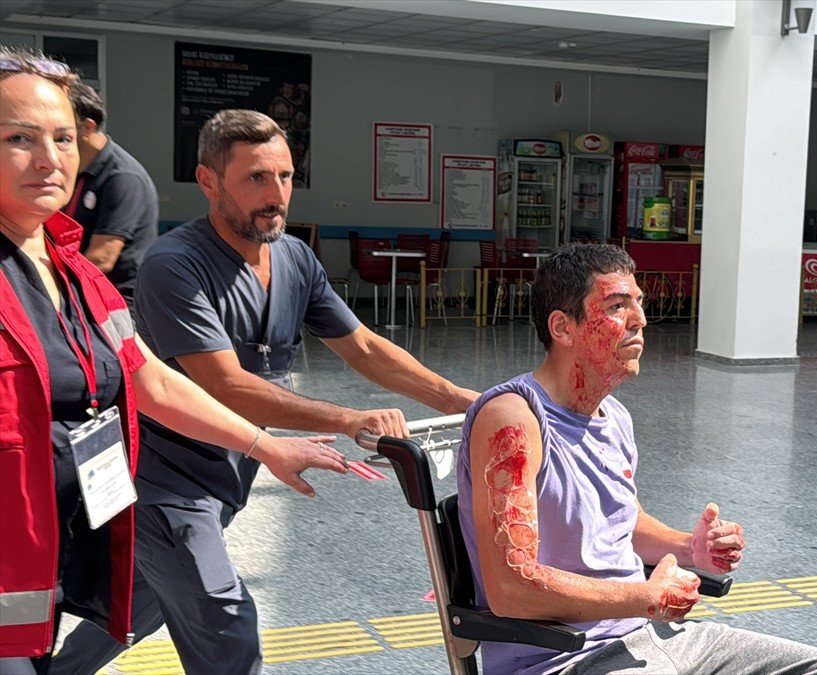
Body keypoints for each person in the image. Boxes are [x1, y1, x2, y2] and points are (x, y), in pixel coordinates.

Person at [53, 108, 479, 674]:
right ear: (209, 182)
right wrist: (348, 418)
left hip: (228, 476)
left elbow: (365, 348)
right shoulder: (174, 265)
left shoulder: (295, 258)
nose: (275, 193)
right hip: (162, 485)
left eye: (283, 176)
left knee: (138, 610)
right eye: (256, 177)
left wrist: (459, 400)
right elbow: (226, 385)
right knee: (227, 628)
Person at [0, 47, 349, 675]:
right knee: (213, 615)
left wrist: (266, 448)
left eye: (60, 137)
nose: (50, 159)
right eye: (19, 138)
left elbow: (147, 377)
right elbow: (215, 378)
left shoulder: (75, 272)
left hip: (40, 550)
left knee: (136, 609)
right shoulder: (173, 261)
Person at [458, 243, 817, 675]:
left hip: (654, 638)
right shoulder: (513, 419)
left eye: (639, 303)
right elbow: (511, 588)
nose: (640, 319)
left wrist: (692, 548)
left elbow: (621, 524)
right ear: (562, 327)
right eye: (618, 306)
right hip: (566, 658)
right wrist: (646, 597)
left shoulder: (613, 415)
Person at [63, 80, 158, 323]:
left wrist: (45, 286)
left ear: (87, 126)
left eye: (62, 126)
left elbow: (102, 258)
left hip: (117, 308)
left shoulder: (123, 176)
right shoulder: (74, 169)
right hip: (79, 299)